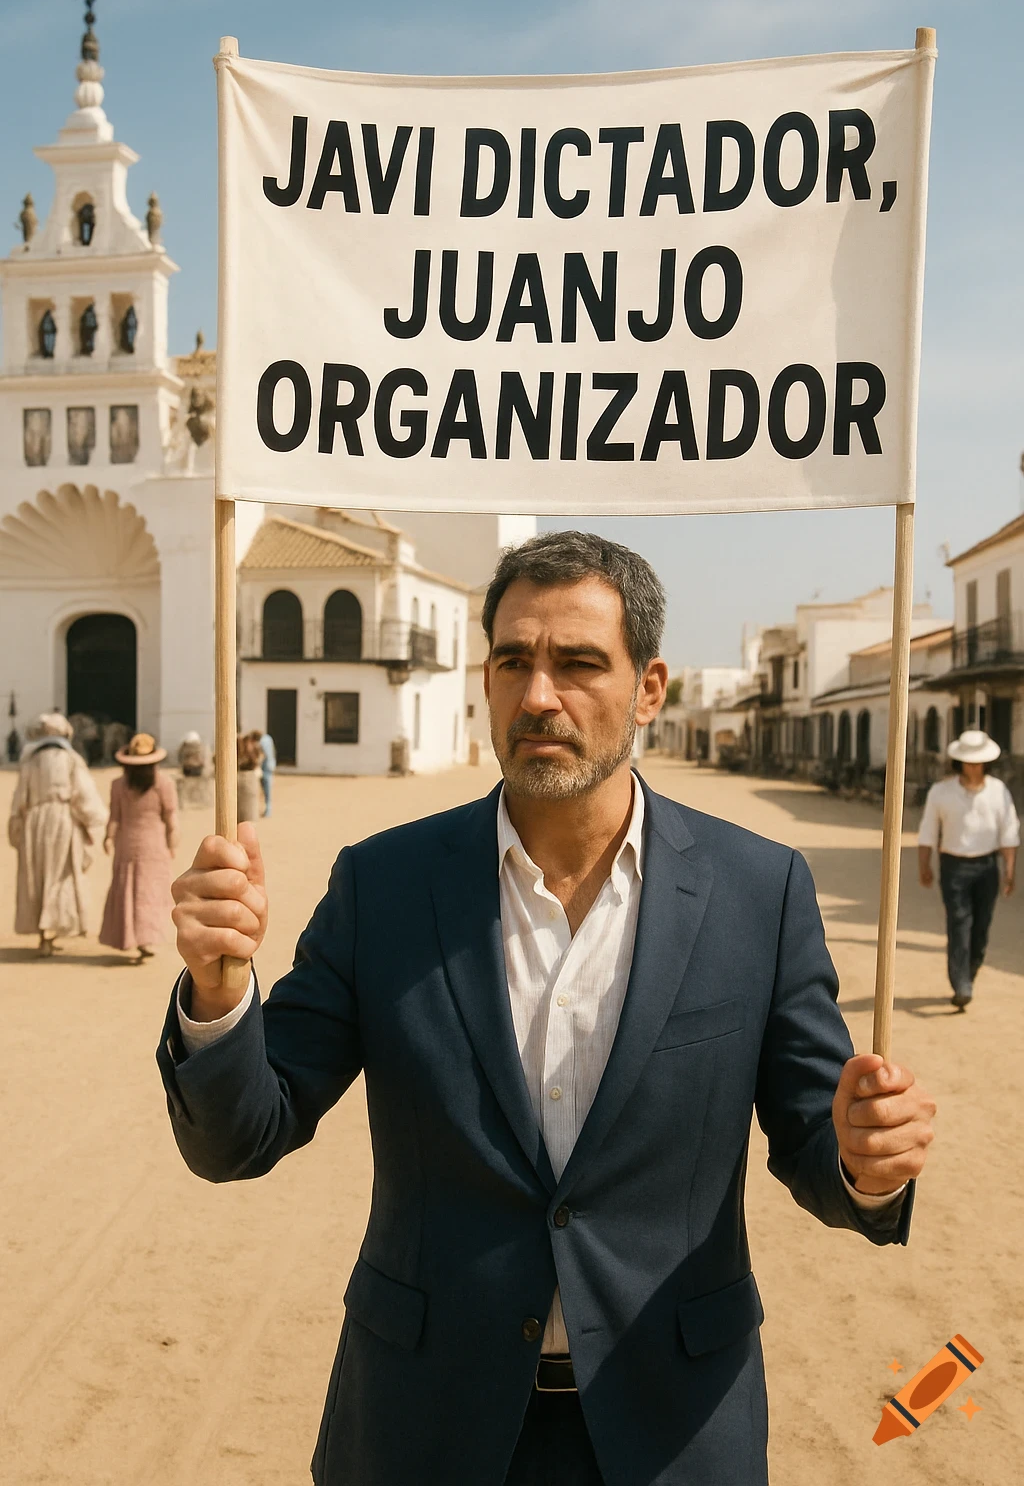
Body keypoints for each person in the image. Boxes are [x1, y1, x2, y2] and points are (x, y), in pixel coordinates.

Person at [159, 532, 937, 1486]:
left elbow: (821, 1146)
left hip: (673, 1429)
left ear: (650, 688)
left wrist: (866, 1162)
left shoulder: (757, 891)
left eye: (577, 664)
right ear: (484, 679)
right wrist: (217, 988)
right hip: (425, 1426)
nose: (539, 696)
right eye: (513, 661)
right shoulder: (386, 886)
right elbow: (241, 1137)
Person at [918, 728, 1019, 1011]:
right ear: (959, 762)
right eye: (969, 761)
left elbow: (1009, 833)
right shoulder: (941, 792)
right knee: (959, 924)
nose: (973, 766)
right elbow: (928, 832)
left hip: (987, 866)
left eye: (978, 761)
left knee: (981, 928)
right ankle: (960, 983)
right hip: (954, 866)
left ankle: (969, 975)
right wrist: (924, 865)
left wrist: (1009, 871)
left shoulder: (999, 791)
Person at [7, 712, 106, 956]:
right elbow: (82, 796)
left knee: (37, 875)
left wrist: (17, 828)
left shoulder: (29, 762)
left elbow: (20, 799)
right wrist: (91, 821)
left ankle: (43, 937)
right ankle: (51, 930)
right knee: (59, 875)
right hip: (62, 820)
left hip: (35, 822)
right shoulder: (70, 760)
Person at [99, 733, 180, 961]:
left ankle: (134, 938)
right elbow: (171, 817)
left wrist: (108, 838)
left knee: (129, 893)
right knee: (150, 893)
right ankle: (146, 939)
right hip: (154, 846)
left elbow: (114, 817)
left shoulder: (118, 785)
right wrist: (172, 843)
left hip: (126, 845)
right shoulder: (164, 784)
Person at [236, 731, 263, 824]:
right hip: (249, 778)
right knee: (248, 819)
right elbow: (256, 760)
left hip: (239, 776)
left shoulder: (242, 743)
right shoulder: (250, 746)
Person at [259, 730, 277, 818]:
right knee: (267, 789)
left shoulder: (262, 741)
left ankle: (268, 809)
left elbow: (264, 754)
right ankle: (268, 809)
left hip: (265, 767)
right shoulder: (268, 739)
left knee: (266, 788)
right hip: (270, 765)